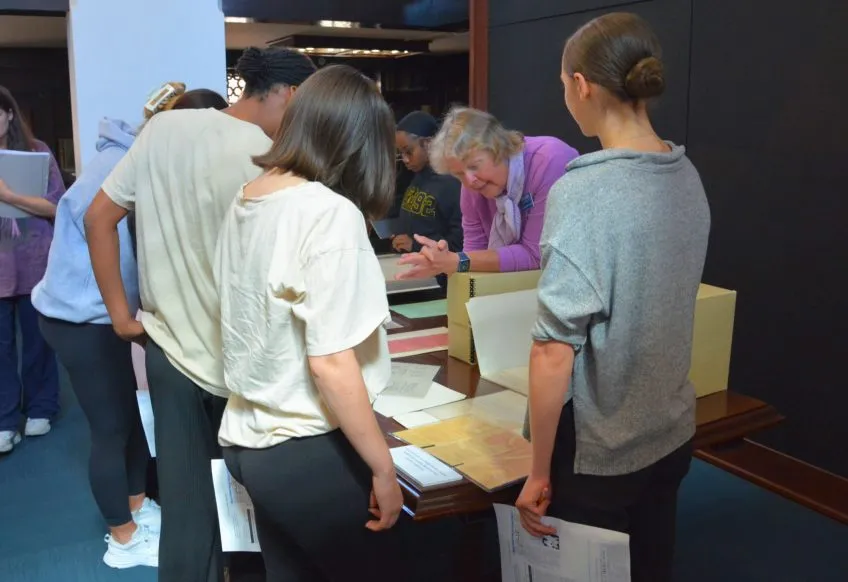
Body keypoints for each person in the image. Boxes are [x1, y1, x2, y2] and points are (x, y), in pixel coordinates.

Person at [84, 47, 316, 582]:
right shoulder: (272, 158)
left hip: (168, 353)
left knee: (188, 512)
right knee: (254, 504)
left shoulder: (163, 130)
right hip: (244, 362)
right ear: (292, 95)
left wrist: (122, 319)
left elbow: (99, 220)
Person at [515, 13, 711, 582]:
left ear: (582, 85)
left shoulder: (585, 188)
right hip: (669, 428)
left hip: (599, 451)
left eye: (562, 86)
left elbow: (554, 350)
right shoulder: (684, 170)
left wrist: (537, 471)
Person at [214, 64, 404, 582]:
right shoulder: (327, 212)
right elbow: (331, 364)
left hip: (248, 437)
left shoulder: (251, 195)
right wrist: (384, 468)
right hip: (303, 447)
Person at [31, 82, 224, 570]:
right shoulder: (119, 166)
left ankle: (138, 506)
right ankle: (122, 538)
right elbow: (103, 232)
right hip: (80, 318)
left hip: (95, 315)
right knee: (111, 429)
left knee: (131, 420)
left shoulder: (138, 154)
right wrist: (122, 316)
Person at [395, 106, 578, 281]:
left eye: (474, 166)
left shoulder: (549, 162)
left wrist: (458, 261)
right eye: (459, 174)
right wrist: (448, 264)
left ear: (498, 148)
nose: (469, 181)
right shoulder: (471, 188)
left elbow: (535, 256)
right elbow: (473, 257)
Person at [0, 85, 66, 454]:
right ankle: (5, 418)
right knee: (0, 346)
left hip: (33, 259)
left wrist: (10, 197)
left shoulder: (37, 152)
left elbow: (57, 208)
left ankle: (41, 406)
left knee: (38, 338)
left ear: (9, 114)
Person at [392, 111, 462, 292]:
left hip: (441, 283)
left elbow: (461, 243)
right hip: (416, 275)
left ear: (428, 144)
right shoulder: (417, 176)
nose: (405, 159)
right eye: (401, 153)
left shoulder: (451, 183)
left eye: (409, 151)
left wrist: (415, 245)